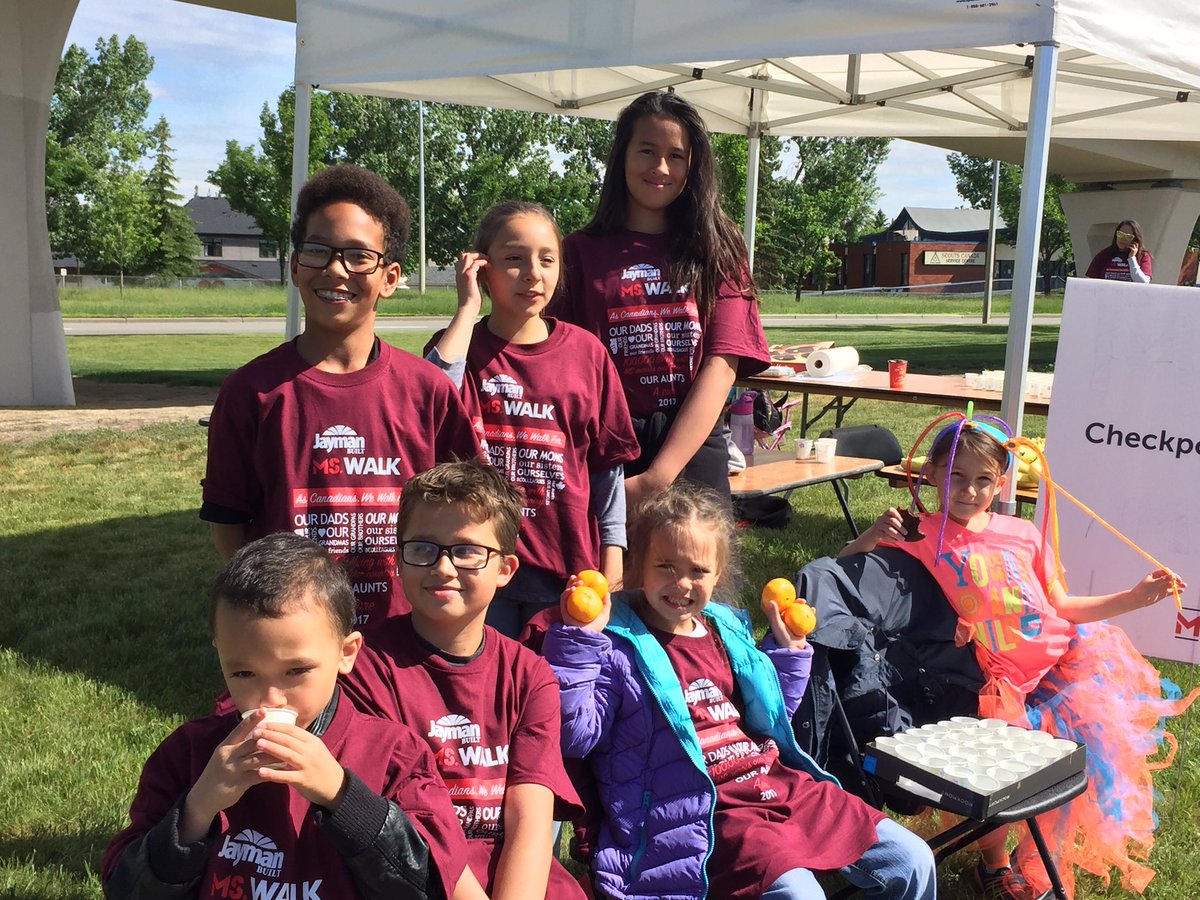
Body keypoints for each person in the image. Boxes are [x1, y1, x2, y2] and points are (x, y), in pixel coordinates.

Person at [844, 417, 1197, 899]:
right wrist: (868, 537)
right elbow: (842, 574)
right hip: (996, 682)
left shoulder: (1023, 533)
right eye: (955, 476)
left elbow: (1062, 606)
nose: (968, 490)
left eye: (983, 479)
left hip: (1062, 668)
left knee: (1065, 775)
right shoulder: (917, 533)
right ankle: (994, 866)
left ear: (1002, 482)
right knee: (999, 781)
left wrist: (1135, 598)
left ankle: (1039, 862)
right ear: (930, 473)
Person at [542, 481, 937, 899]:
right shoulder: (615, 643)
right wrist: (579, 644)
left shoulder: (723, 628)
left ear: (718, 572)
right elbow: (575, 736)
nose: (682, 584)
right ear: (638, 562)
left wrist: (787, 654)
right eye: (666, 567)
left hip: (772, 784)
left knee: (910, 857)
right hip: (699, 808)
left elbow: (769, 717)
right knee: (798, 893)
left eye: (697, 571)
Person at [101, 532, 477, 899]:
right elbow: (125, 886)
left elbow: (429, 884)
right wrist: (198, 808)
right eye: (243, 673)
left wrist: (342, 796)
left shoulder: (394, 754)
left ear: (346, 653)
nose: (270, 699)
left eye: (296, 671)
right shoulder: (188, 755)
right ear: (219, 654)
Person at [201, 164, 481, 627]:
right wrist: (267, 613)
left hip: (403, 632)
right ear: (294, 267)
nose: (335, 269)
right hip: (294, 634)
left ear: (389, 278)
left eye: (357, 256)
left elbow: (465, 512)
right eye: (318, 251)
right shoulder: (251, 393)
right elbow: (228, 527)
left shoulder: (427, 391)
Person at [339, 460, 586, 899]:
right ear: (398, 560)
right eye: (423, 548)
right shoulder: (364, 669)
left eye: (468, 550)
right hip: (412, 877)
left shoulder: (530, 675)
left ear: (506, 569)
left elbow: (531, 820)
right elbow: (393, 824)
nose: (443, 568)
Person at [426, 200, 640, 634]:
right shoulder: (460, 348)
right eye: (513, 259)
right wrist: (467, 309)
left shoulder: (586, 354)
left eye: (546, 259)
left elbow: (607, 471)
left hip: (564, 572)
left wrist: (613, 558)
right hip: (476, 568)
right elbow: (425, 408)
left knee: (560, 688)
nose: (532, 273)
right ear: (481, 269)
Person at [551, 90, 770, 510]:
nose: (660, 168)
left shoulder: (718, 246)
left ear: (694, 167)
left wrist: (658, 477)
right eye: (647, 151)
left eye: (677, 156)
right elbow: (559, 360)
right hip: (607, 443)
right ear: (621, 157)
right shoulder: (577, 251)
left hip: (692, 440)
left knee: (698, 574)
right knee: (604, 576)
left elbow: (723, 364)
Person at [1084, 219, 1153, 282]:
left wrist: (1132, 259)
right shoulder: (1104, 255)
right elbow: (1089, 282)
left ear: (1135, 240)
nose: (1123, 238)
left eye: (1128, 236)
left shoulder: (1143, 256)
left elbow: (1144, 283)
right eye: (1120, 234)